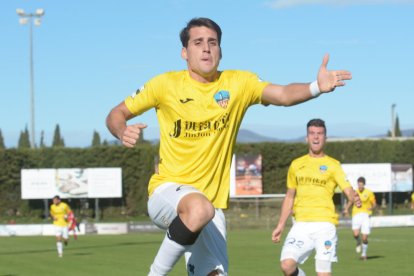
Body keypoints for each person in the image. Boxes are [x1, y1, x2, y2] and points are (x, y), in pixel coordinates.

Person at [106, 17, 352, 276]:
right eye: (198, 42)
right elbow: (116, 113)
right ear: (184, 52)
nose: (206, 48)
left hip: (211, 210)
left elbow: (282, 95)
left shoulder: (238, 84)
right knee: (199, 207)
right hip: (167, 193)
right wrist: (122, 130)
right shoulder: (164, 85)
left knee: (212, 261)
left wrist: (316, 87)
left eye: (212, 42)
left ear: (220, 51)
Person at [271, 119, 361, 276]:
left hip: (325, 226)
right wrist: (280, 225)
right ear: (307, 138)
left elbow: (348, 190)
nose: (316, 137)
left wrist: (355, 197)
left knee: (323, 273)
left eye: (320, 134)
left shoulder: (333, 165)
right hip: (300, 225)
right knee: (287, 265)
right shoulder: (296, 164)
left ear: (325, 138)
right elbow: (290, 197)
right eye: (312, 133)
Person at [343, 176, 376, 260]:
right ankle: (358, 242)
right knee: (356, 234)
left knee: (364, 237)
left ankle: (364, 254)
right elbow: (350, 201)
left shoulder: (369, 192)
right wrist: (346, 209)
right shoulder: (354, 192)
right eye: (359, 184)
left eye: (361, 184)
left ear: (364, 184)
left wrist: (372, 208)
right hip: (356, 215)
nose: (360, 186)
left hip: (366, 215)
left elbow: (374, 203)